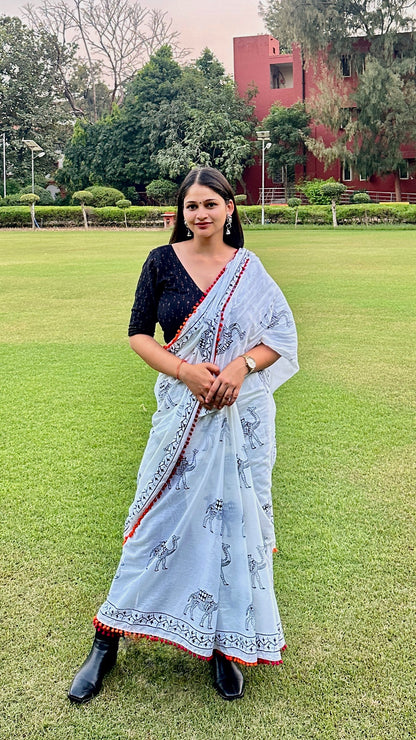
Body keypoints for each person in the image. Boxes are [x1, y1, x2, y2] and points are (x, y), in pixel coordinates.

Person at [68, 167, 298, 704]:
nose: (201, 214)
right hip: (181, 412)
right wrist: (183, 371)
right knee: (155, 520)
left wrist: (240, 367)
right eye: (191, 206)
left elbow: (280, 336)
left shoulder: (249, 270)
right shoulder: (161, 262)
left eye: (210, 205)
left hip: (239, 420)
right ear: (181, 212)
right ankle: (106, 640)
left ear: (229, 209)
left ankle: (224, 646)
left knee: (232, 524)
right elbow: (138, 335)